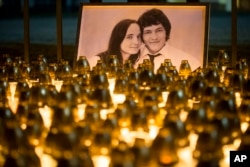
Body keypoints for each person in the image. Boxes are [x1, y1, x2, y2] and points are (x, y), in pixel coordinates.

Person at [135, 8, 201, 73]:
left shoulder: (190, 62)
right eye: (148, 32)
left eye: (159, 30)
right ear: (141, 35)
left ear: (166, 32)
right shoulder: (132, 60)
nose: (154, 37)